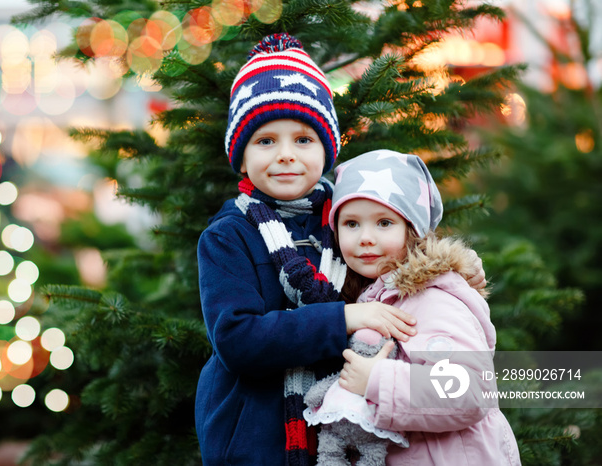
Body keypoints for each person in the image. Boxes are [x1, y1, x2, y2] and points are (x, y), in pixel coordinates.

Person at [195, 34, 484, 465]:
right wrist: (344, 317)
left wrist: (456, 269)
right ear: (240, 156)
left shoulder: (344, 219)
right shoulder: (228, 235)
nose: (286, 155)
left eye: (304, 140)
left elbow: (396, 259)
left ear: (327, 149)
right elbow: (238, 340)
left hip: (340, 426)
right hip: (258, 435)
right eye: (266, 140)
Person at [309, 149, 520, 465]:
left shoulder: (431, 296)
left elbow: (471, 391)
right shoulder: (365, 297)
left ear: (413, 230)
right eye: (351, 223)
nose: (365, 238)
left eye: (384, 222)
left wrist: (377, 381)